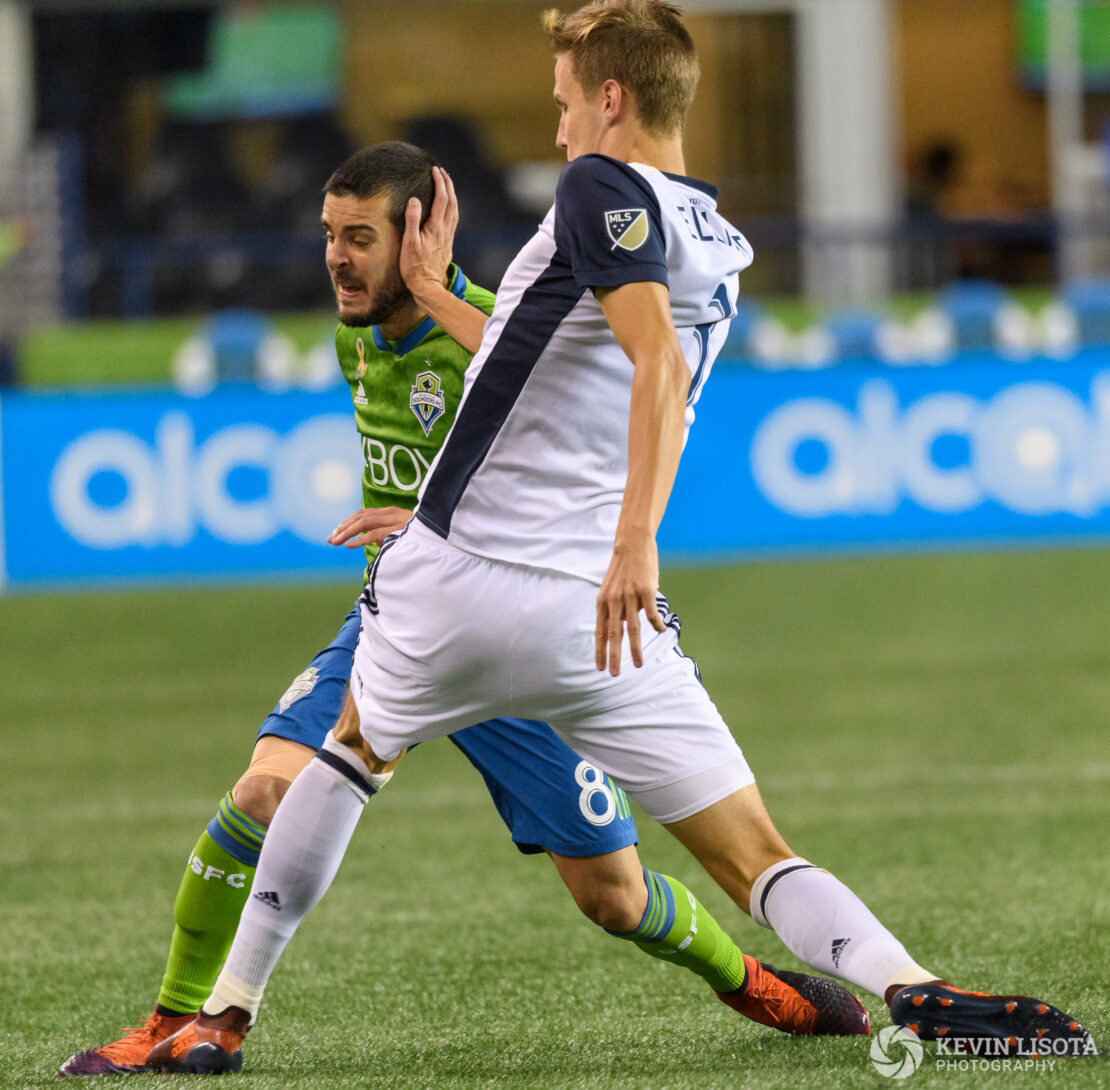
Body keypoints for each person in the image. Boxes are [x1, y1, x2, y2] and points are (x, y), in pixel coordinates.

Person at [150, 2, 1093, 1073]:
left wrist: (636, 537)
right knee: (756, 856)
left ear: (612, 100)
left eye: (562, 105)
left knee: (347, 755)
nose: (555, 133)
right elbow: (557, 354)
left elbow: (642, 358)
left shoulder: (600, 186)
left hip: (467, 581)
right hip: (597, 616)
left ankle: (225, 1012)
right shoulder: (717, 240)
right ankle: (912, 987)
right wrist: (438, 302)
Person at [60, 140, 866, 1078]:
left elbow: (592, 452)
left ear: (416, 234)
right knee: (264, 790)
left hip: (524, 625)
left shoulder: (499, 330)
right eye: (328, 235)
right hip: (402, 627)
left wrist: (434, 520)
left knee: (611, 896)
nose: (335, 258)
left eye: (358, 237)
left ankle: (752, 982)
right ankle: (174, 1022)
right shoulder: (353, 333)